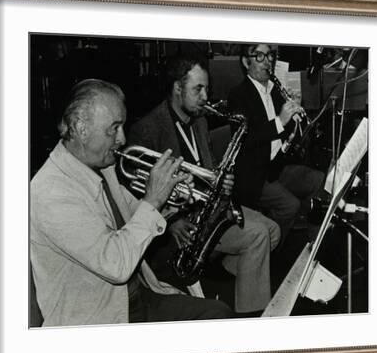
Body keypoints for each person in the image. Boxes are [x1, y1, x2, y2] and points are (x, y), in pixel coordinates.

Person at [30, 79, 232, 326]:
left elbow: (136, 215)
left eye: (122, 126)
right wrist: (153, 198)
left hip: (137, 296)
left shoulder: (101, 168)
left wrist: (172, 199)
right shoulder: (52, 191)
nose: (122, 138)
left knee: (218, 314)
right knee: (215, 320)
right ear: (81, 128)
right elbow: (116, 265)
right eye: (113, 128)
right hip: (98, 318)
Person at [128, 57, 280, 316]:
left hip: (208, 208)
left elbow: (205, 167)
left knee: (273, 230)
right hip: (183, 221)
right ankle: (251, 316)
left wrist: (221, 178)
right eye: (198, 89)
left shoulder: (198, 119)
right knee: (257, 236)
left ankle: (222, 273)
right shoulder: (148, 129)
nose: (205, 96)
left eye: (206, 89)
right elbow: (133, 192)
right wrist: (172, 222)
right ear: (177, 88)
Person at [228, 43, 325, 243]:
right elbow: (246, 139)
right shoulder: (238, 96)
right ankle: (268, 245)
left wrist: (296, 112)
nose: (268, 61)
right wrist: (280, 120)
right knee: (290, 206)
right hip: (254, 174)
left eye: (270, 55)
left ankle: (311, 245)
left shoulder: (274, 91)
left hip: (277, 167)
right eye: (260, 56)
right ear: (246, 62)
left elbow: (288, 134)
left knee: (318, 180)